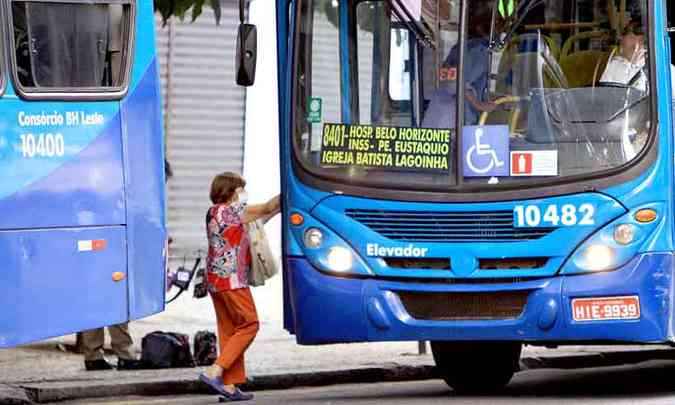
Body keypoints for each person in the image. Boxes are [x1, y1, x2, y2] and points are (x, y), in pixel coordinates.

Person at [199, 172, 280, 401]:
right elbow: (267, 207)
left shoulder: (213, 212)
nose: (243, 192)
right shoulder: (232, 211)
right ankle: (215, 370)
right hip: (232, 280)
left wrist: (275, 210)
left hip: (216, 281)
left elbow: (261, 217)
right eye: (241, 188)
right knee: (249, 324)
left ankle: (230, 386)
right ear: (231, 191)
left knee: (229, 330)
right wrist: (290, 189)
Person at [422, 4, 496, 129]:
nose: (499, 29)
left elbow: (449, 79)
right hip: (457, 122)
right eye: (497, 23)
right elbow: (460, 83)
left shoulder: (459, 47)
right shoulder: (479, 49)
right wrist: (480, 105)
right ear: (485, 26)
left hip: (438, 115)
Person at [600, 21, 647, 92]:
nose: (635, 46)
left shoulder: (659, 68)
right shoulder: (614, 65)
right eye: (631, 38)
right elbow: (602, 93)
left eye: (640, 41)